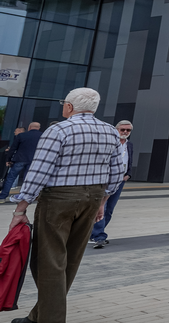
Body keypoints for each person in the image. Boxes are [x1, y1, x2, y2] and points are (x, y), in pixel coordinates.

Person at [8, 88, 122, 323]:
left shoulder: (59, 129)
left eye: (64, 104)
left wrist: (20, 208)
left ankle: (51, 319)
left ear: (69, 107)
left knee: (47, 261)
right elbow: (117, 171)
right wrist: (102, 201)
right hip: (93, 197)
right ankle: (36, 317)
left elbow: (39, 170)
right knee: (69, 259)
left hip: (60, 198)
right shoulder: (111, 132)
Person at [90, 120, 134, 248]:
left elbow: (129, 160)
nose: (125, 132)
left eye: (128, 130)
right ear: (116, 130)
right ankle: (99, 235)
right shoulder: (110, 143)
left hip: (120, 180)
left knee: (109, 210)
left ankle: (95, 232)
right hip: (106, 179)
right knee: (101, 206)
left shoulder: (129, 145)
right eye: (122, 130)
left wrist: (128, 174)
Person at [1, 123, 42, 203]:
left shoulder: (22, 135)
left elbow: (13, 148)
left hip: (19, 159)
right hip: (33, 160)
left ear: (29, 127)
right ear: (39, 128)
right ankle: (23, 196)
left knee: (10, 178)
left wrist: (8, 159)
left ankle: (3, 197)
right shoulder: (42, 136)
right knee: (27, 179)